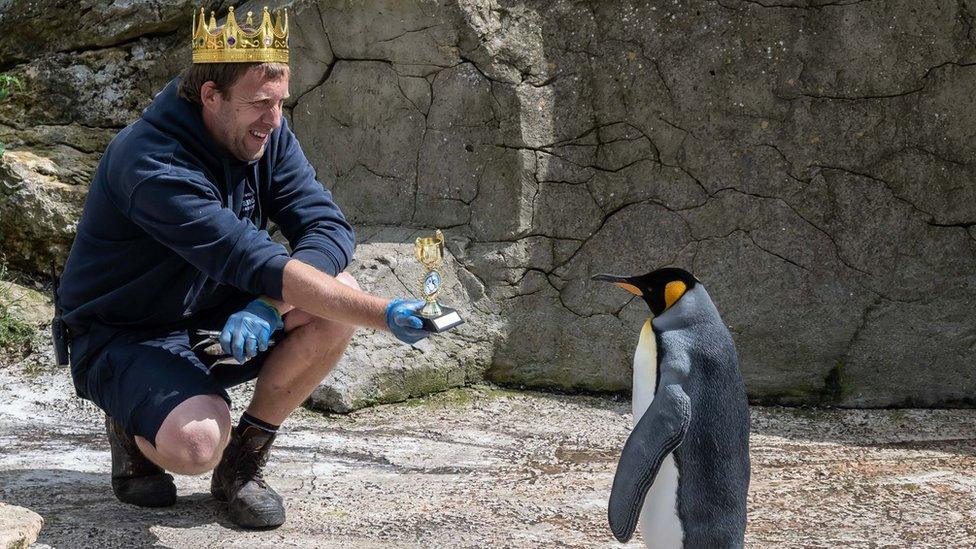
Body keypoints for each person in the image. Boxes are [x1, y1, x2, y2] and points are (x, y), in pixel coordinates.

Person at [56, 7, 429, 529]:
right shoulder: (151, 164)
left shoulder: (263, 132)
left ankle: (242, 467)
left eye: (280, 103)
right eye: (259, 104)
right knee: (196, 444)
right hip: (124, 332)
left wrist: (269, 304)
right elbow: (249, 256)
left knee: (335, 295)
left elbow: (326, 227)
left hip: (215, 310)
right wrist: (385, 313)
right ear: (211, 95)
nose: (274, 121)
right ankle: (130, 419)